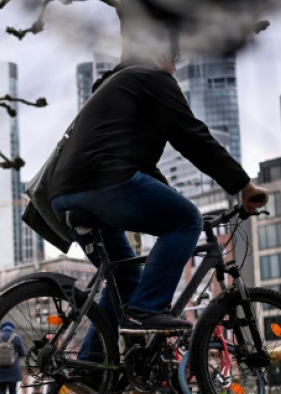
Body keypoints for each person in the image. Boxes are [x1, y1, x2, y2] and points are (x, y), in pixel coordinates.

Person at [48, 50, 267, 337]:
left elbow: (144, 168)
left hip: (62, 194)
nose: (175, 68)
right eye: (176, 59)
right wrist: (244, 185)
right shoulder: (154, 79)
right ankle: (146, 309)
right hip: (103, 182)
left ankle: (92, 362)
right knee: (187, 220)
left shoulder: (115, 86)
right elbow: (193, 137)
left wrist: (170, 195)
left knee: (125, 279)